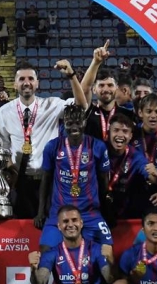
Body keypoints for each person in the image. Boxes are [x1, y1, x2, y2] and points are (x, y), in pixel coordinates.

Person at [0, 60, 89, 218]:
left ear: (37, 83)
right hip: (21, 183)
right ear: (14, 84)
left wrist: (71, 75)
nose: (27, 83)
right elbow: (4, 149)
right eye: (22, 79)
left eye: (31, 79)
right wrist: (12, 176)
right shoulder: (4, 112)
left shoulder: (52, 105)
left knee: (52, 224)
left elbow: (82, 106)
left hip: (50, 180)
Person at [20, 206, 131, 284]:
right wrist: (33, 269)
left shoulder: (96, 249)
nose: (71, 224)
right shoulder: (52, 253)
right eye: (66, 221)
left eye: (74, 220)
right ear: (59, 226)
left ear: (81, 223)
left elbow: (110, 279)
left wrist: (111, 262)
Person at [35, 103, 112, 256]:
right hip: (59, 212)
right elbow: (46, 180)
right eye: (70, 123)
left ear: (85, 122)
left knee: (106, 253)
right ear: (64, 124)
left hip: (89, 212)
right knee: (45, 251)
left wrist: (106, 209)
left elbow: (104, 180)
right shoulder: (52, 146)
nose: (74, 127)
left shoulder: (98, 146)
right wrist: (40, 211)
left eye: (79, 122)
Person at [79, 42, 137, 141]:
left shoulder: (128, 115)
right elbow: (84, 89)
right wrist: (96, 62)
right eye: (101, 85)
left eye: (110, 85)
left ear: (116, 88)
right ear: (94, 89)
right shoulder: (88, 112)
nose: (106, 89)